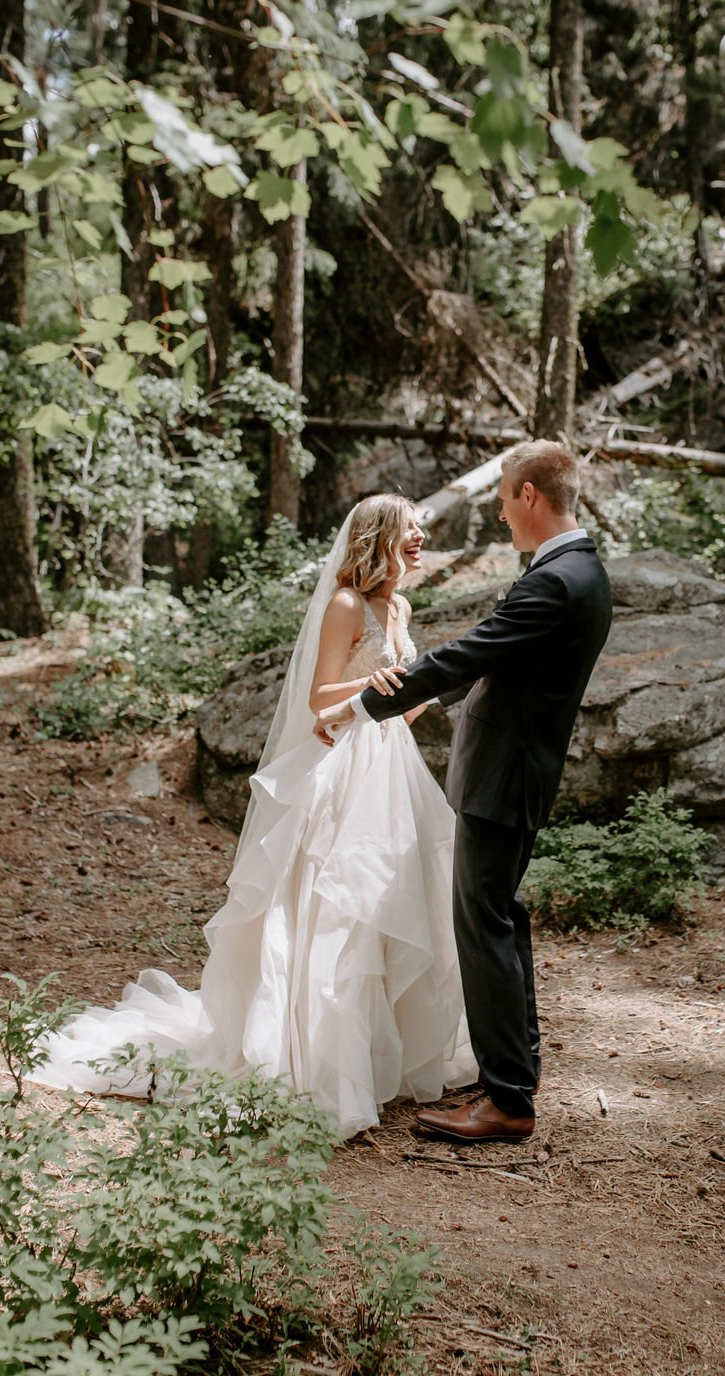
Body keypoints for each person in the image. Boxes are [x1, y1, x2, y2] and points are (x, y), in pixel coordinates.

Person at [36, 495, 476, 1137]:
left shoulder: (401, 607)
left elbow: (399, 708)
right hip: (346, 772)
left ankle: (388, 1057)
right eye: (411, 531)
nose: (420, 539)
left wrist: (418, 695)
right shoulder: (347, 604)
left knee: (392, 901)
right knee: (334, 910)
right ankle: (316, 1061)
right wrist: (370, 687)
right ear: (379, 536)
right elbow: (319, 696)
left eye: (420, 532)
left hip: (392, 767)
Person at [316, 441, 612, 1144]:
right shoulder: (580, 571)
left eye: (506, 500)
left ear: (530, 496)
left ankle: (508, 1100)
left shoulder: (556, 580)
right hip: (516, 772)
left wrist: (362, 708)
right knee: (500, 918)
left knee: (484, 926)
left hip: (504, 775)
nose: (504, 516)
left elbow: (471, 654)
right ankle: (515, 1072)